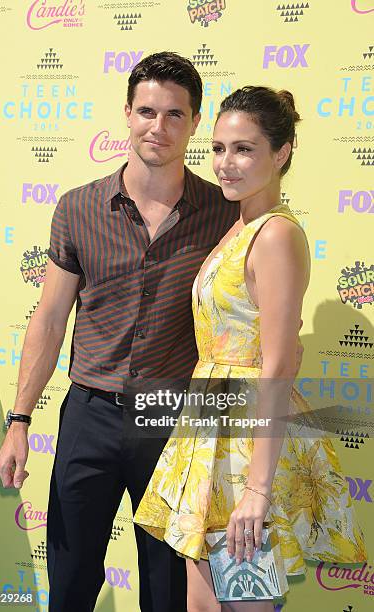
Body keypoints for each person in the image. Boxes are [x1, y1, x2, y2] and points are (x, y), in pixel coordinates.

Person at [0, 52, 244, 612]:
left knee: (166, 590)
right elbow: (51, 318)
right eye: (147, 111)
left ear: (195, 122)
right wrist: (19, 420)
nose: (159, 126)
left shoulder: (223, 212)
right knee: (71, 579)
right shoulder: (78, 208)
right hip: (89, 414)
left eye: (175, 114)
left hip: (172, 417)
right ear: (127, 113)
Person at [134, 86, 367, 611]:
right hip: (208, 437)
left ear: (281, 153)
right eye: (217, 148)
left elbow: (280, 363)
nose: (226, 164)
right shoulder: (236, 230)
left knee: (246, 605)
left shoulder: (277, 235)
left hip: (246, 452)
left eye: (244, 149)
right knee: (203, 605)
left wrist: (258, 490)